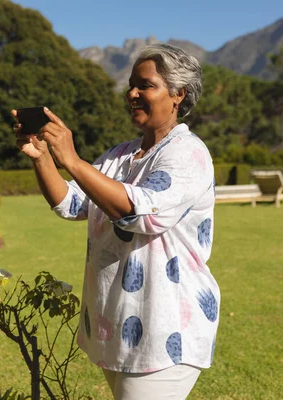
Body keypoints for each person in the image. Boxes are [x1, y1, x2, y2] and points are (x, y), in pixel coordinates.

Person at [13, 43, 220, 400]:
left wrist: (74, 161)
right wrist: (43, 157)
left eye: (145, 85)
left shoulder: (187, 153)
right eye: (131, 84)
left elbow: (140, 212)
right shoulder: (121, 156)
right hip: (120, 328)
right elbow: (71, 201)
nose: (132, 93)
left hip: (165, 330)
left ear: (178, 95)